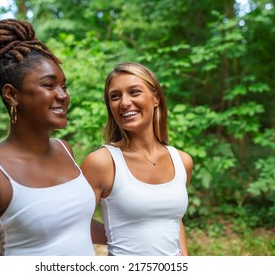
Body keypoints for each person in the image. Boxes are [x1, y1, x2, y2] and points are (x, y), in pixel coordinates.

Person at [0, 19, 96, 256]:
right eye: (49, 85)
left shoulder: (65, 150)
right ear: (11, 94)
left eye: (64, 86)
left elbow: (73, 225)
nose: (63, 96)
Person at [81, 62, 193, 256]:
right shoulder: (102, 162)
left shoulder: (182, 161)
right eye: (115, 96)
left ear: (156, 98)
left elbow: (174, 221)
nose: (124, 102)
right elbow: (71, 222)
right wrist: (118, 234)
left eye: (134, 92)